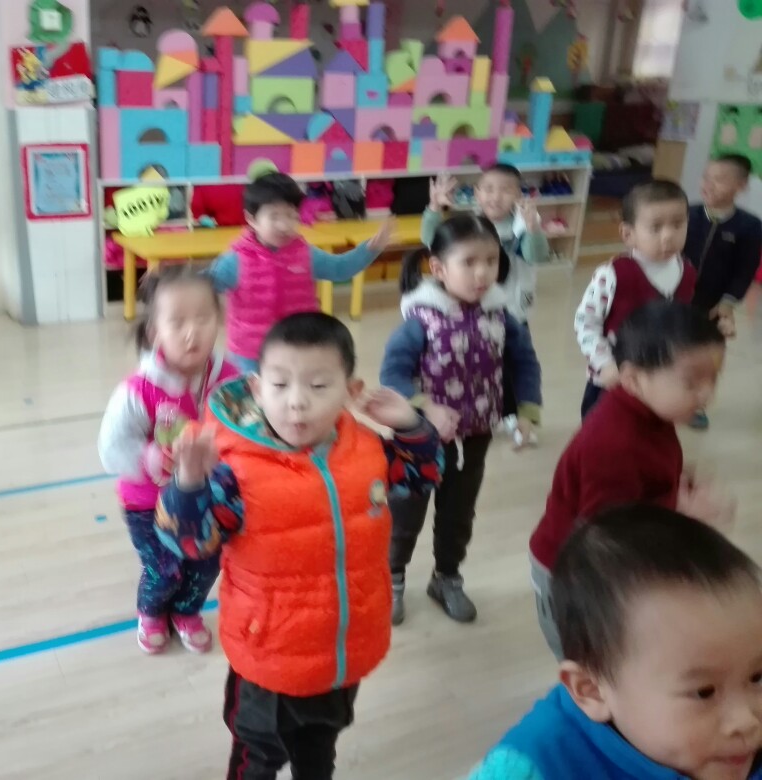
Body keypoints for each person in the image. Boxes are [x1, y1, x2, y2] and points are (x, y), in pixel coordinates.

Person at [155, 312, 442, 779]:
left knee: (319, 750)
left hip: (340, 654)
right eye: (280, 384)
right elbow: (188, 542)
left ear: (351, 390)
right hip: (267, 660)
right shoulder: (235, 469)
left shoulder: (367, 450)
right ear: (256, 388)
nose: (297, 403)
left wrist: (411, 426)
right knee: (257, 757)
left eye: (319, 386)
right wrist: (188, 486)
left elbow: (421, 475)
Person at [470, 505, 762, 780]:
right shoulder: (537, 765)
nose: (747, 720)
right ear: (592, 690)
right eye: (704, 692)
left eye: (757, 677)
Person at [530, 300, 734, 659]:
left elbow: (641, 478)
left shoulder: (651, 413)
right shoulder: (614, 442)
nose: (707, 394)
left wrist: (674, 482)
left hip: (610, 564)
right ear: (633, 379)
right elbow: (605, 534)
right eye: (691, 382)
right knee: (592, 664)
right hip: (573, 573)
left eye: (713, 379)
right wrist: (680, 510)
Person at [380, 214, 542, 625]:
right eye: (469, 262)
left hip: (475, 435)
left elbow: (524, 362)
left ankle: (446, 577)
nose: (482, 272)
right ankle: (391, 578)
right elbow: (392, 374)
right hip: (418, 440)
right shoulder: (421, 319)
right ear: (438, 268)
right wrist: (425, 407)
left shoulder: (501, 316)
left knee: (458, 513)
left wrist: (527, 411)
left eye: (490, 261)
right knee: (406, 514)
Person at [98, 266, 237, 655]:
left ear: (219, 319)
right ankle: (151, 611)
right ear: (154, 331)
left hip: (205, 496)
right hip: (148, 503)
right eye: (177, 322)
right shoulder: (139, 390)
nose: (193, 332)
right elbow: (110, 448)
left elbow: (244, 429)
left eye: (203, 318)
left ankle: (186, 611)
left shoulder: (228, 380)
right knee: (165, 568)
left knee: (206, 564)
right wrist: (151, 458)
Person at [207, 172, 395, 373]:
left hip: (298, 347)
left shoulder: (305, 254)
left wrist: (371, 249)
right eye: (274, 216)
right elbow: (202, 286)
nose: (284, 225)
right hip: (250, 354)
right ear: (251, 219)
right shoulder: (235, 261)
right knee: (252, 392)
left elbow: (340, 269)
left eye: (291, 215)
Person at [422, 165, 549, 442]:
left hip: (512, 311)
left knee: (515, 362)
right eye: (488, 189)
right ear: (476, 193)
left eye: (506, 190)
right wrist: (434, 208)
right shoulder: (470, 226)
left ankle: (515, 416)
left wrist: (533, 229)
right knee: (479, 363)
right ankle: (476, 410)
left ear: (519, 195)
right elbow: (432, 242)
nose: (496, 196)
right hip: (475, 312)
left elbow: (537, 255)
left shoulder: (523, 223)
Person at [574, 179, 706, 420]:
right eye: (656, 228)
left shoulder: (687, 271)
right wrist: (604, 363)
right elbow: (585, 322)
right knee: (604, 433)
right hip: (612, 379)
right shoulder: (612, 274)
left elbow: (682, 323)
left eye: (678, 224)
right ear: (628, 234)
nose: (668, 236)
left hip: (659, 381)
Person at [684, 153, 762, 429]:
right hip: (678, 299)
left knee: (708, 356)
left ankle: (697, 404)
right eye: (706, 177)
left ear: (740, 186)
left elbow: (745, 272)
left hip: (714, 305)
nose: (708, 184)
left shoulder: (750, 227)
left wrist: (728, 302)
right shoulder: (687, 214)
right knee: (670, 349)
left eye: (718, 180)